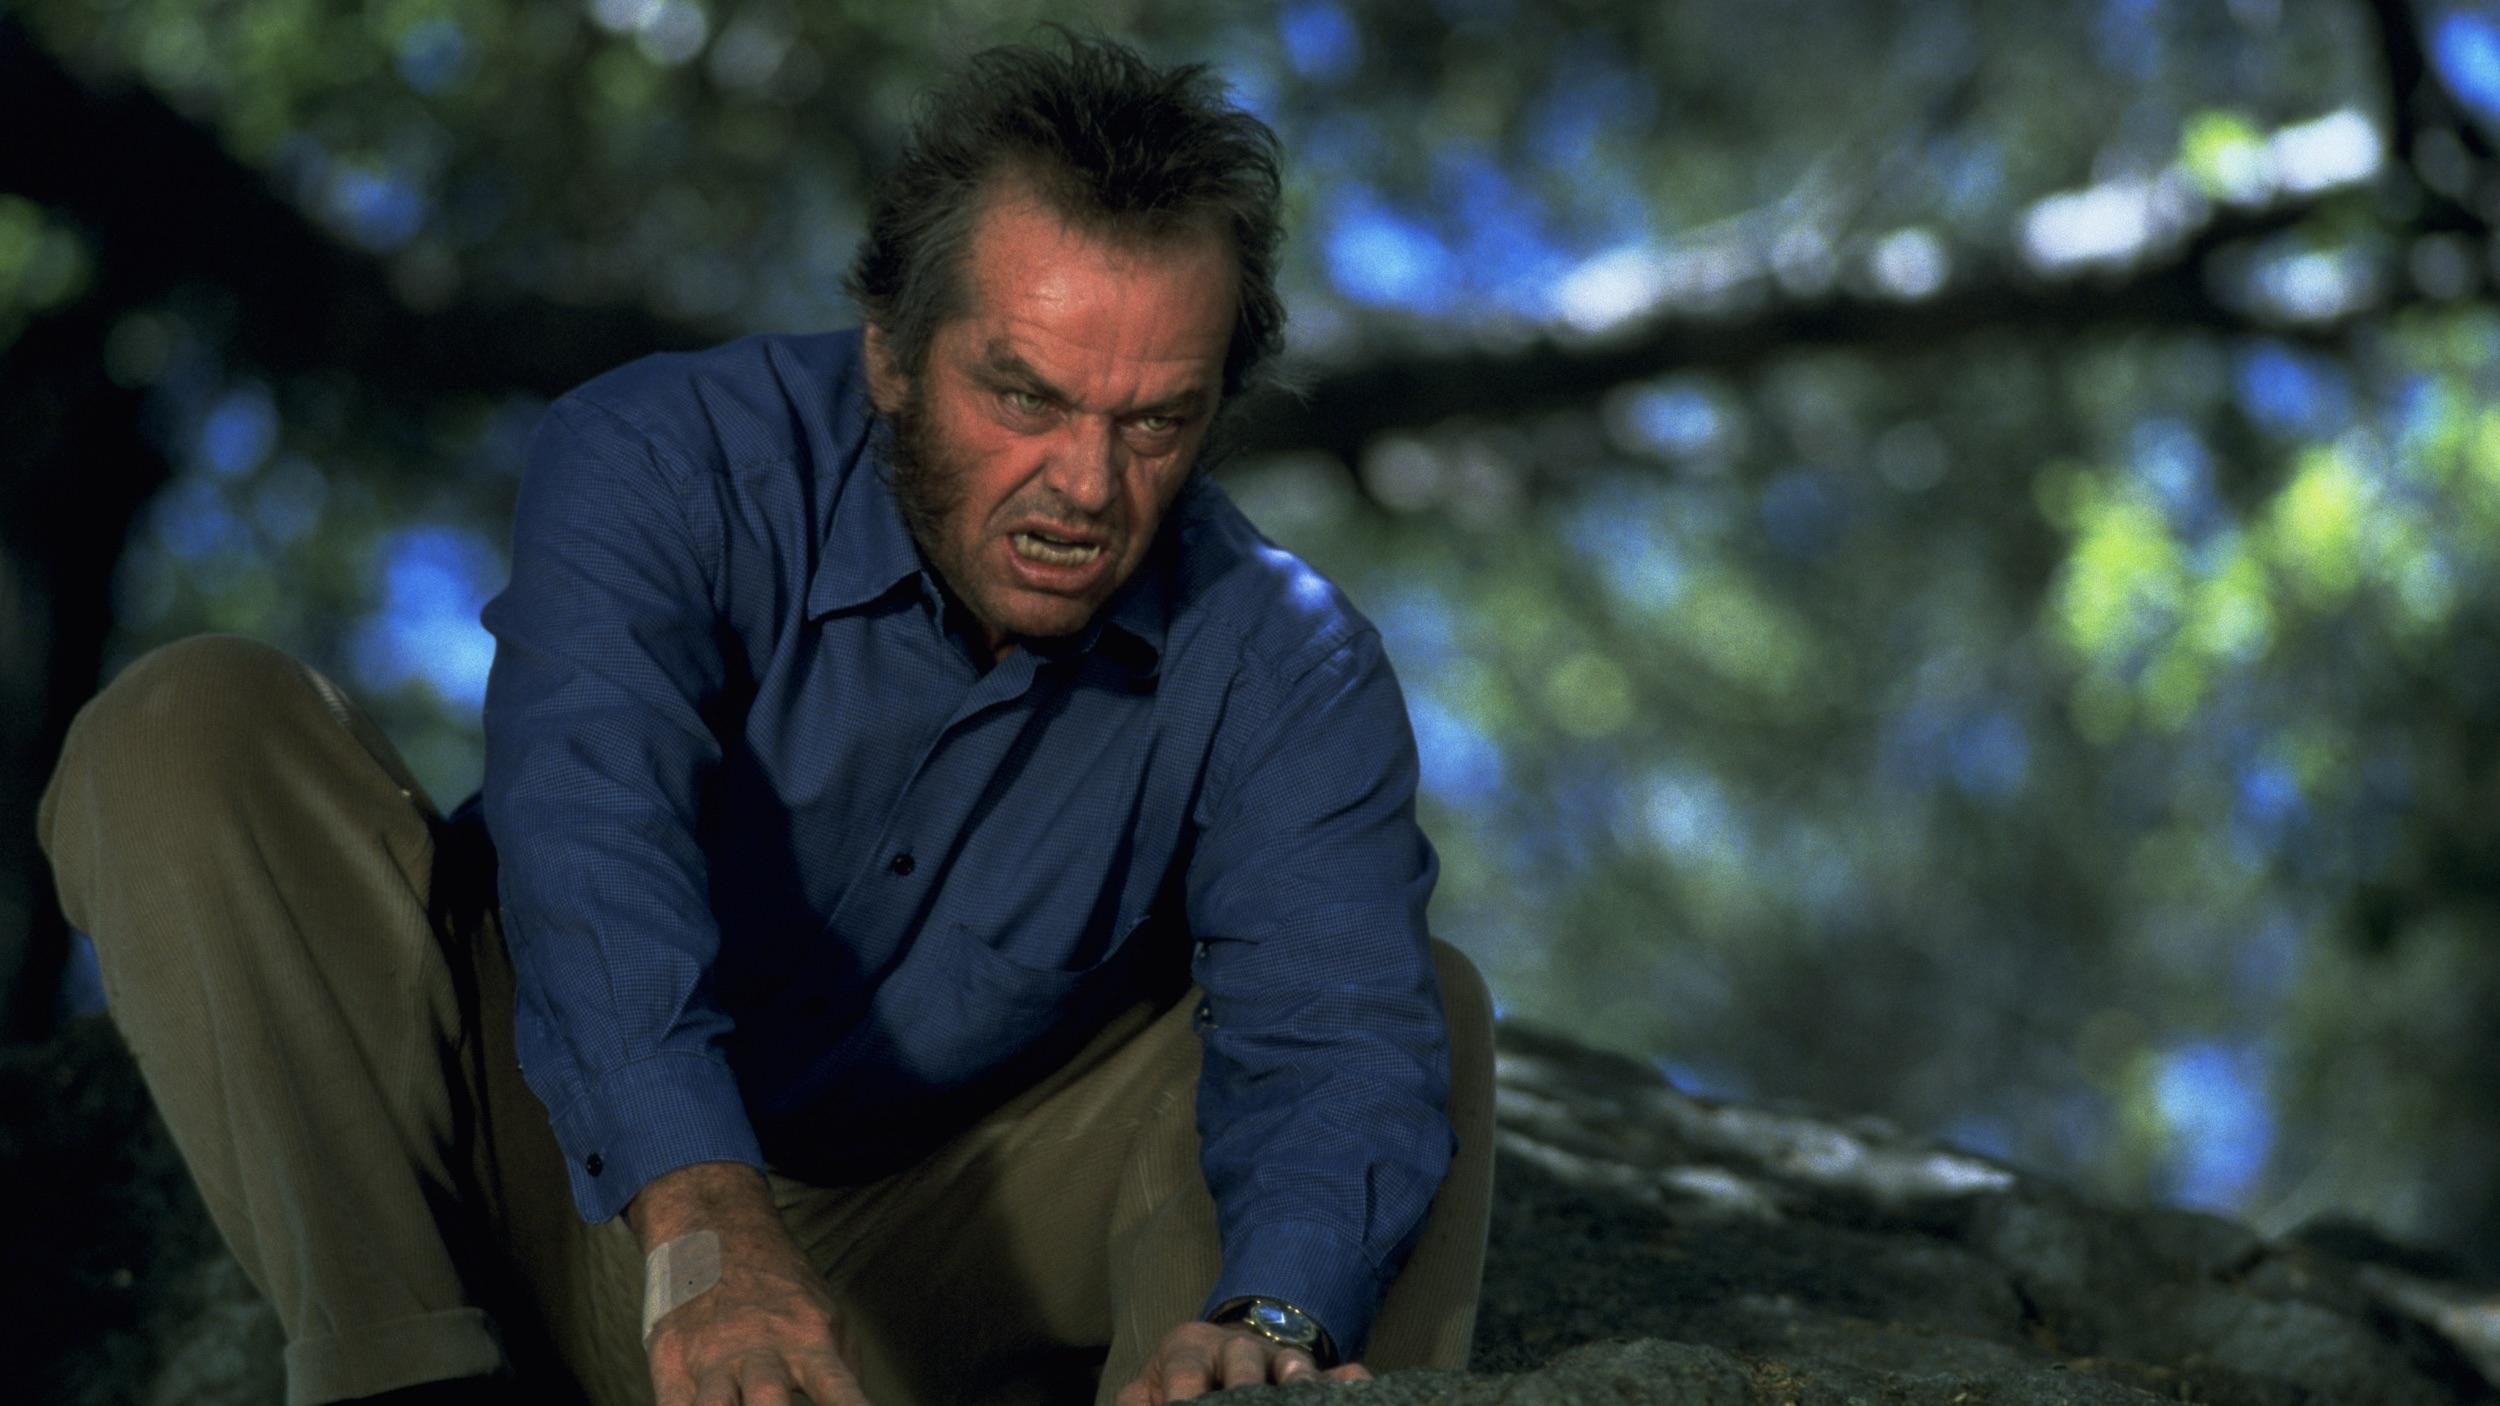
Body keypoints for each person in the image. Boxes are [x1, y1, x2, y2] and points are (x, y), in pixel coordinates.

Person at [39, 32, 1494, 1406]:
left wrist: (1278, 1318)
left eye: (1155, 421)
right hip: (540, 1153)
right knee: (183, 722)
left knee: (1420, 1006)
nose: (1086, 486)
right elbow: (588, 837)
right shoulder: (660, 457)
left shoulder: (1287, 659)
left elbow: (1335, 1039)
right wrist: (706, 1227)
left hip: (916, 1269)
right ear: (890, 353)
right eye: (1023, 395)